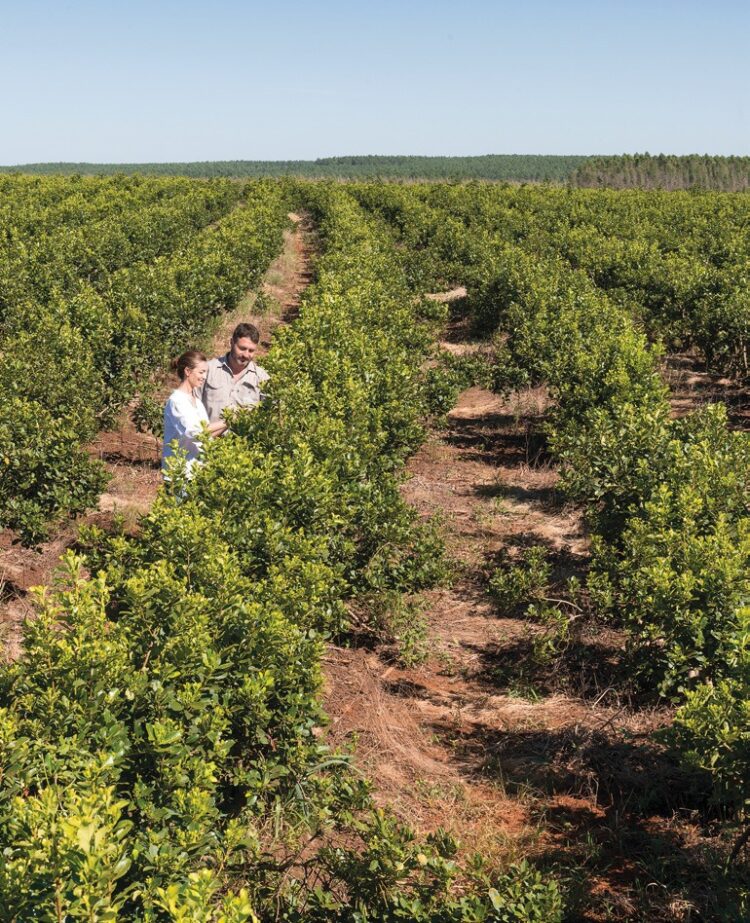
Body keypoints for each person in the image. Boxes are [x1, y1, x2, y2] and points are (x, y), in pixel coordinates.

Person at [162, 350, 227, 478]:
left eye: (206, 372)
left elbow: (205, 437)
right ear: (188, 371)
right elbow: (196, 432)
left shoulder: (197, 402)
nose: (204, 377)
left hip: (196, 472)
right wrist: (226, 420)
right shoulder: (177, 401)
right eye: (201, 372)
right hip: (180, 474)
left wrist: (229, 423)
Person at [200, 323, 270, 424]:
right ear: (231, 342)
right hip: (208, 438)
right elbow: (190, 406)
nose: (246, 355)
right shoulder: (208, 370)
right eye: (242, 348)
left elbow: (270, 416)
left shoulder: (262, 378)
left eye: (251, 351)